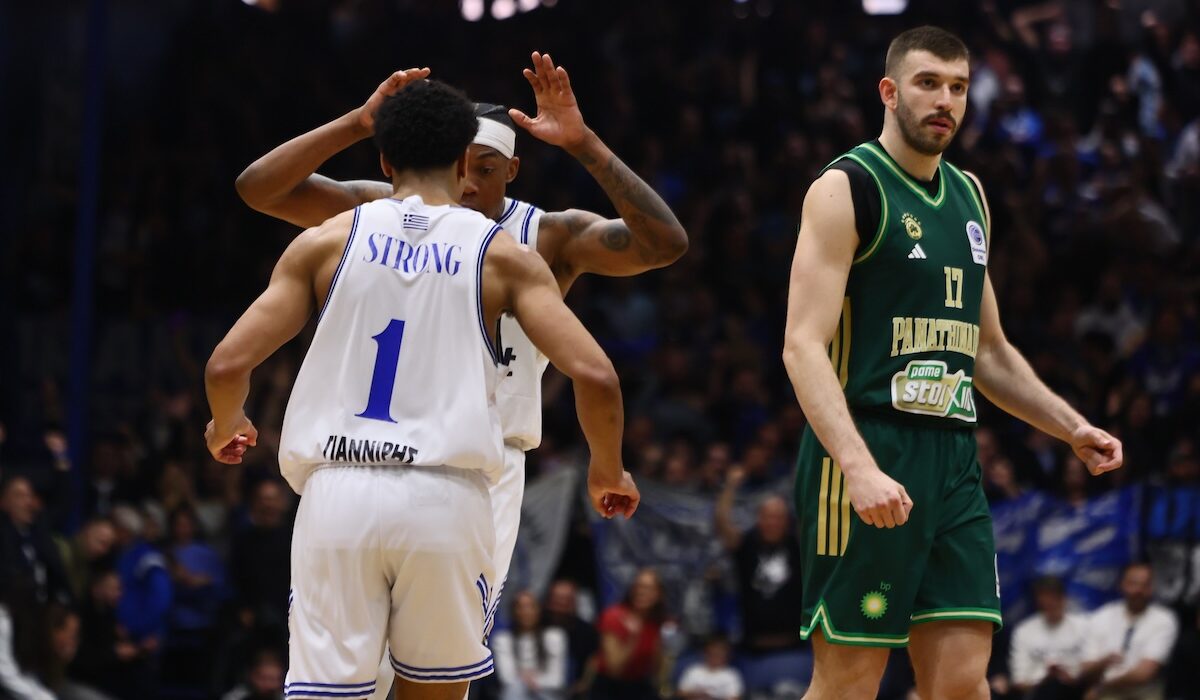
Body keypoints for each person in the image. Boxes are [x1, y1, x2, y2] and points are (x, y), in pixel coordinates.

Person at [204, 79, 639, 700]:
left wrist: (227, 423)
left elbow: (225, 366)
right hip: (447, 497)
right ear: (466, 163)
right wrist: (607, 470)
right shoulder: (503, 255)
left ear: (384, 162)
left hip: (338, 494)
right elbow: (595, 375)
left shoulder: (329, 237)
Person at [781, 26, 1124, 700]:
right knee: (850, 680)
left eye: (959, 88)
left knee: (964, 682)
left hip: (953, 459)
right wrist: (857, 467)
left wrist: (1069, 426)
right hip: (866, 448)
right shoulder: (845, 188)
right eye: (928, 83)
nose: (946, 101)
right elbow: (801, 345)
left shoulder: (970, 195)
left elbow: (988, 351)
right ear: (889, 91)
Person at [713, 466, 804, 655]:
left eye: (778, 517)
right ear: (759, 518)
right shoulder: (747, 543)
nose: (773, 522)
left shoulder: (797, 544)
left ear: (787, 520)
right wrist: (730, 487)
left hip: (794, 643)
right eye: (768, 516)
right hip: (753, 645)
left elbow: (811, 517)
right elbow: (722, 523)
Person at [1079, 564, 1178, 700]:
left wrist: (1102, 686)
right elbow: (1086, 671)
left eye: (1145, 585)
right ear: (1122, 585)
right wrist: (1103, 663)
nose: (1139, 590)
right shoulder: (1100, 617)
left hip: (1144, 693)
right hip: (1105, 693)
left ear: (1151, 589)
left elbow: (1144, 674)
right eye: (1133, 584)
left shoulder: (1164, 619)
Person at [591, 568, 668, 700]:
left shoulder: (655, 622)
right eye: (638, 586)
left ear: (659, 594)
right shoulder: (614, 616)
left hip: (640, 687)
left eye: (649, 588)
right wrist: (633, 636)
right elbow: (614, 668)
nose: (641, 592)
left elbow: (656, 668)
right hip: (610, 689)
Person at [1008, 576, 1089, 700]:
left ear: (1064, 599)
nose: (1050, 603)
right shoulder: (1024, 631)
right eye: (1045, 601)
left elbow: (1091, 667)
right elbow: (1019, 681)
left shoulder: (1084, 626)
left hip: (1076, 689)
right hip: (1037, 692)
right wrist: (1045, 677)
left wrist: (1072, 676)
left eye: (1054, 599)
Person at [491, 590, 568, 700]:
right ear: (513, 611)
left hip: (547, 694)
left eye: (530, 606)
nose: (526, 612)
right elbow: (507, 677)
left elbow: (557, 679)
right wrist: (529, 680)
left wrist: (532, 680)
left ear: (539, 610)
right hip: (516, 694)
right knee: (514, 689)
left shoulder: (554, 636)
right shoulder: (502, 639)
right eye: (520, 607)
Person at [677, 635, 744, 700]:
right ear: (705, 654)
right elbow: (681, 692)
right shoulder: (694, 670)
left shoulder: (732, 675)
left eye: (719, 655)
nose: (715, 658)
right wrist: (697, 694)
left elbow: (735, 697)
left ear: (726, 657)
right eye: (712, 654)